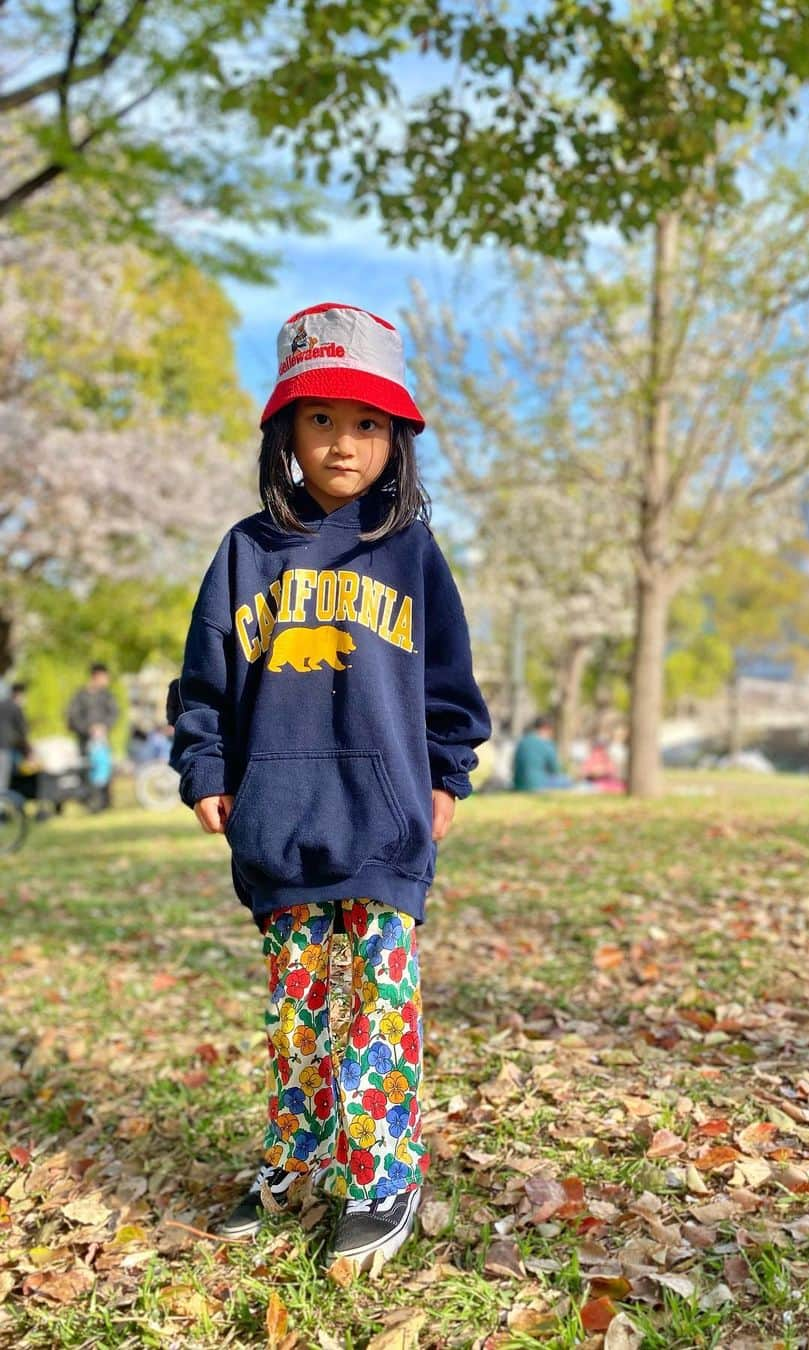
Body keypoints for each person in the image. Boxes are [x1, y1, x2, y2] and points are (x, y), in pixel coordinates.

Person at [169, 302, 491, 1273]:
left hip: (385, 822)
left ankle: (383, 1170)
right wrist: (206, 771)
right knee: (301, 1006)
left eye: (367, 422)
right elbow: (205, 682)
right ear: (286, 432)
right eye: (321, 420)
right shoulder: (245, 553)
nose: (344, 442)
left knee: (381, 1001)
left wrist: (446, 777)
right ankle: (297, 1161)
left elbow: (448, 688)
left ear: (395, 436)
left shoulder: (412, 554)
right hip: (279, 818)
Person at [66, 663, 119, 757]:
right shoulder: (80, 695)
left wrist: (103, 727)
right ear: (96, 676)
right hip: (83, 742)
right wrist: (88, 728)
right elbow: (72, 716)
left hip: (102, 741)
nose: (107, 681)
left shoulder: (107, 696)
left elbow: (114, 714)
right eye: (105, 677)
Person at [511, 715, 575, 791]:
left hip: (519, 784)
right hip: (538, 784)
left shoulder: (522, 741)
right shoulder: (546, 743)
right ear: (546, 728)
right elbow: (555, 769)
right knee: (567, 780)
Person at [0, 682, 32, 794]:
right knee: (2, 783)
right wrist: (28, 751)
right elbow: (23, 730)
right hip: (5, 748)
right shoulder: (15, 707)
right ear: (18, 694)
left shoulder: (2, 704)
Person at [86, 723, 113, 811]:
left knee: (104, 790)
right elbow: (92, 758)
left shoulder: (104, 743)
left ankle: (105, 804)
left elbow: (107, 757)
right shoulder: (92, 744)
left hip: (104, 770)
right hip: (96, 771)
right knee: (97, 791)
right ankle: (97, 806)